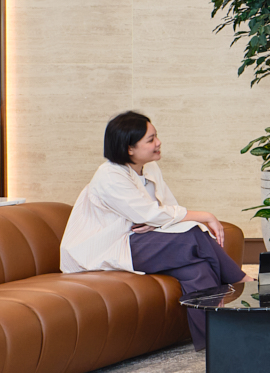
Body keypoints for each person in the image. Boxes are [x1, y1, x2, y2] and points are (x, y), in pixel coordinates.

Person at [60, 110, 243, 348]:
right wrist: (204, 215)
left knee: (197, 268)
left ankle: (216, 340)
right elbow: (151, 214)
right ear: (129, 149)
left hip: (139, 240)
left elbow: (166, 209)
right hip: (107, 248)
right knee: (193, 234)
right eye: (151, 139)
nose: (159, 143)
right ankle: (242, 280)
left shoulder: (150, 168)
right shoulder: (109, 175)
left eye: (156, 136)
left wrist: (157, 219)